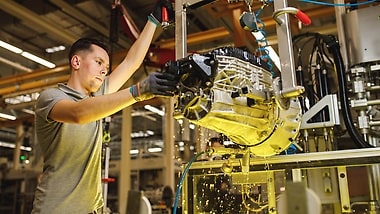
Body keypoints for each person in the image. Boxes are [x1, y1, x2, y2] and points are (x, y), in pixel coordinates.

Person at [31, 1, 176, 213]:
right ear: (76, 62)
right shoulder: (51, 97)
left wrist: (153, 21)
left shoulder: (98, 97)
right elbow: (79, 114)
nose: (103, 71)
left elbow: (131, 63)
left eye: (106, 67)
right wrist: (138, 92)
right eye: (99, 63)